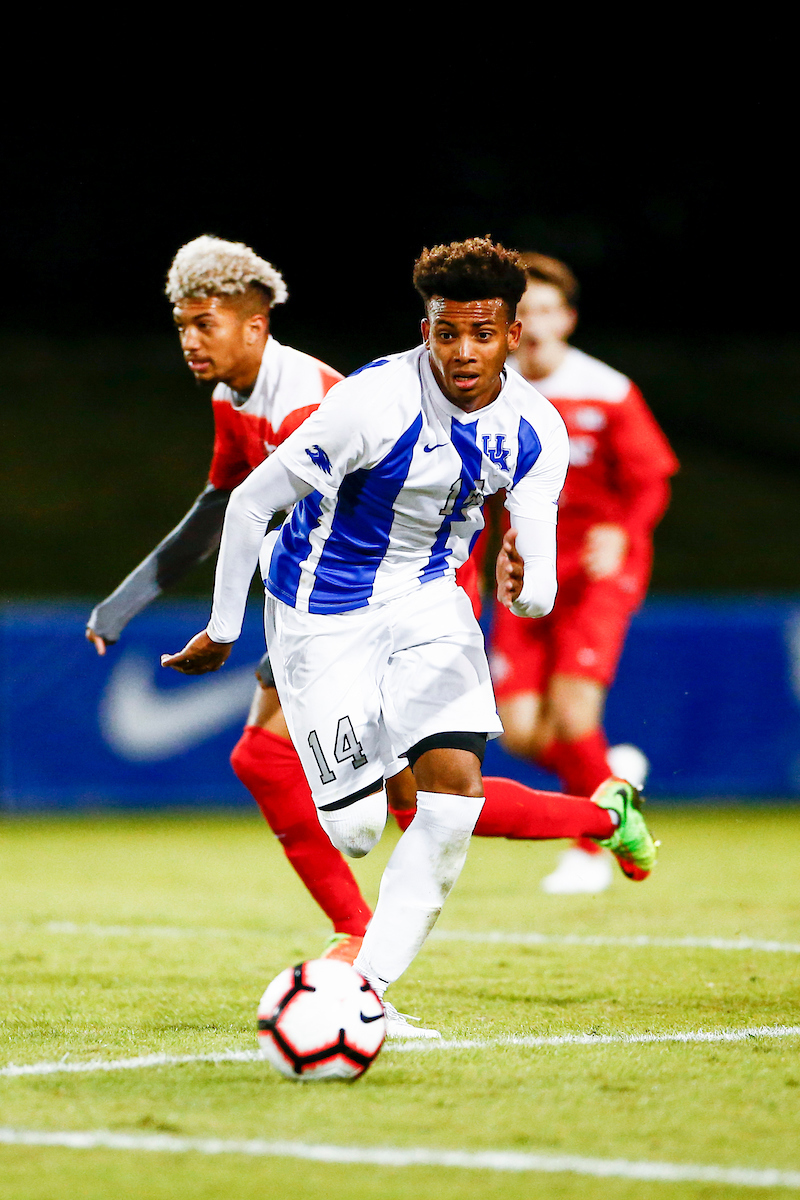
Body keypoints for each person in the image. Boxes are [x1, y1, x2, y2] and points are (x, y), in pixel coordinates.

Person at [161, 237, 658, 1039]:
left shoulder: (537, 428)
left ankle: (367, 991)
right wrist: (223, 630)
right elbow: (252, 503)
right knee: (359, 829)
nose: (463, 352)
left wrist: (523, 582)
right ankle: (594, 816)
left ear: (512, 335)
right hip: (320, 611)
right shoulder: (371, 402)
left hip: (430, 603)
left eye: (483, 334)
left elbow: (536, 592)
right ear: (424, 326)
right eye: (446, 332)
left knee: (449, 801)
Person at [489, 253, 678, 894]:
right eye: (523, 312)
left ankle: (592, 847)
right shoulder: (492, 389)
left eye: (546, 310)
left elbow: (652, 481)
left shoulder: (608, 390)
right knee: (517, 731)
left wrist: (624, 532)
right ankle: (609, 774)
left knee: (572, 717)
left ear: (567, 318)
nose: (535, 324)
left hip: (598, 570)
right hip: (525, 569)